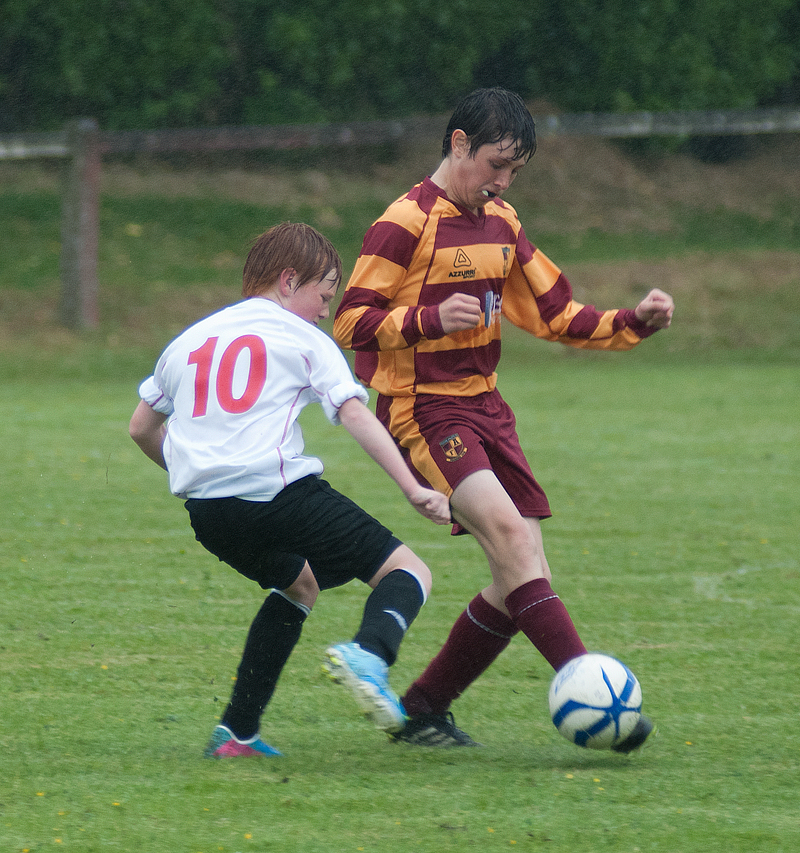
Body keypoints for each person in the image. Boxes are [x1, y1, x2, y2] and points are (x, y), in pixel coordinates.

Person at [333, 87, 674, 751]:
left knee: (518, 573)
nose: (502, 182)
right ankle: (598, 699)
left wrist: (634, 321)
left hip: (488, 407)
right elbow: (351, 319)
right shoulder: (404, 221)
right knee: (517, 546)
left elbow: (555, 313)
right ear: (457, 143)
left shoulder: (504, 224)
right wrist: (430, 318)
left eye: (514, 172)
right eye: (495, 164)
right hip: (423, 409)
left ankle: (424, 706)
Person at [129, 222, 451, 758]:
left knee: (299, 586)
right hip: (277, 495)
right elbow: (353, 412)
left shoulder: (187, 342)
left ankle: (236, 733)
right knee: (408, 572)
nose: (326, 310)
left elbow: (141, 426)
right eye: (324, 294)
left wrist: (201, 472)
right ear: (287, 281)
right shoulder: (302, 338)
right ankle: (369, 655)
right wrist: (412, 486)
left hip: (209, 514)